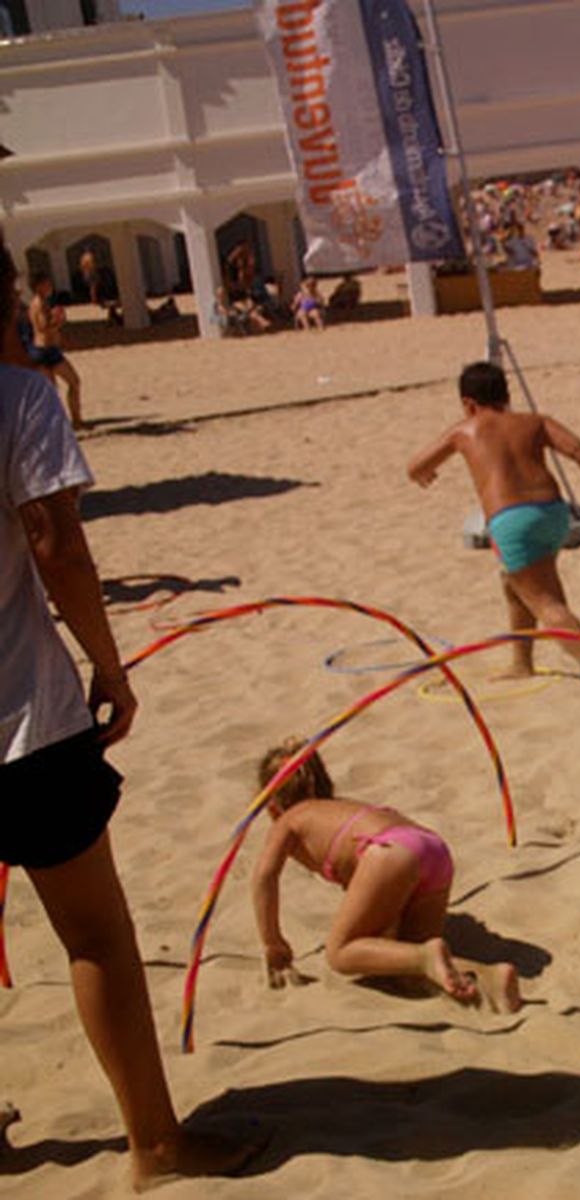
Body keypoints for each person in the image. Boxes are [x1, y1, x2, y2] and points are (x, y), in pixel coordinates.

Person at [0, 236, 255, 1189]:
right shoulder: (18, 397)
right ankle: (154, 1144)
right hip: (20, 718)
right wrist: (111, 670)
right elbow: (59, 546)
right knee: (94, 934)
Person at [408, 361, 580, 705]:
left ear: (469, 403)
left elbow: (414, 466)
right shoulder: (534, 422)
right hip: (554, 514)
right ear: (507, 395)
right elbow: (579, 451)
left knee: (546, 602)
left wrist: (424, 475)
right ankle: (522, 662)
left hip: (510, 521)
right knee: (515, 584)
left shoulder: (464, 430)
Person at [251, 740, 522, 1012]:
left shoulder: (288, 821)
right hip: (433, 850)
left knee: (341, 952)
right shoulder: (342, 807)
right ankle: (490, 977)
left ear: (272, 806)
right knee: (403, 961)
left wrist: (272, 941)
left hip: (389, 853)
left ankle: (427, 957)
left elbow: (265, 876)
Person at [25, 271, 83, 427]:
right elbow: (43, 327)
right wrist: (59, 321)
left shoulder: (37, 302)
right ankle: (76, 420)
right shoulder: (40, 303)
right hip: (47, 351)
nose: (50, 286)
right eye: (47, 283)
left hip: (41, 351)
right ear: (39, 286)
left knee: (52, 392)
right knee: (74, 381)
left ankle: (60, 423)